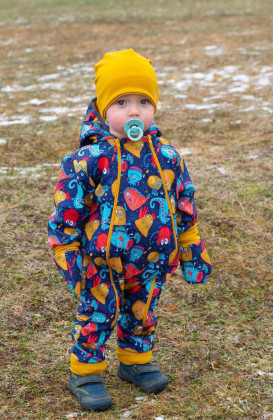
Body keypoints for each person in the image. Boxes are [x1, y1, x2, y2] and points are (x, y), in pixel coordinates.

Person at [48, 49, 212, 411]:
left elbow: (183, 202)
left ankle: (135, 362)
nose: (134, 112)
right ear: (104, 109)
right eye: (121, 102)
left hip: (153, 256)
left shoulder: (167, 155)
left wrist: (190, 245)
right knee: (98, 311)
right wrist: (68, 254)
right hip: (100, 261)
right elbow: (67, 213)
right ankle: (86, 371)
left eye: (143, 101)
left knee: (143, 309)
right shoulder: (89, 159)